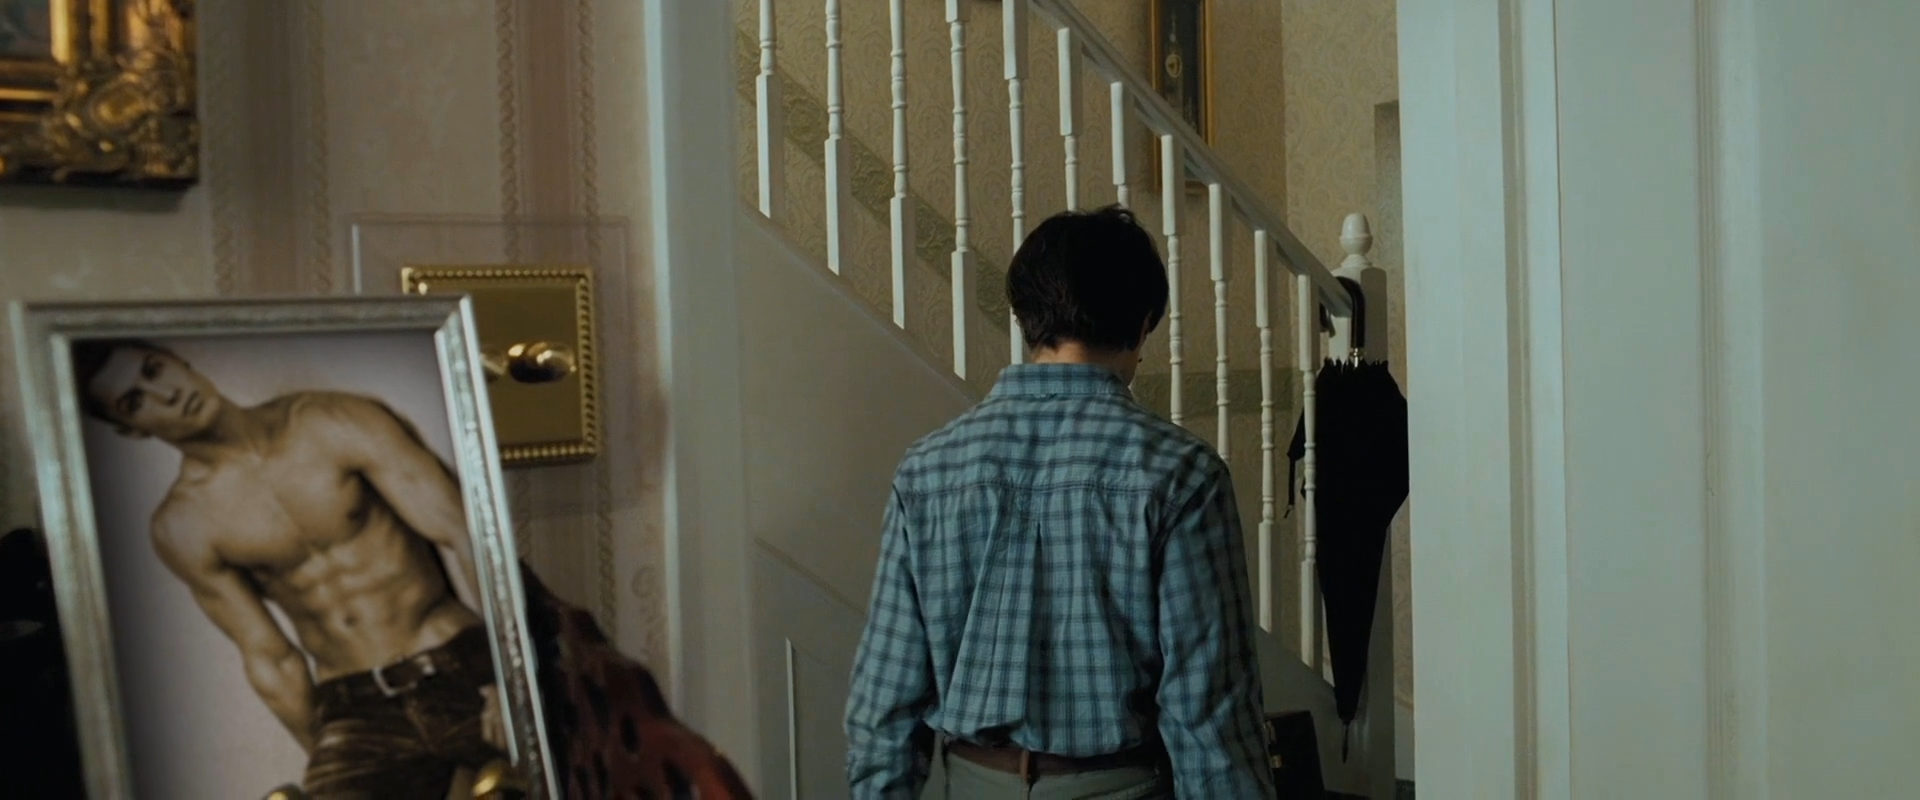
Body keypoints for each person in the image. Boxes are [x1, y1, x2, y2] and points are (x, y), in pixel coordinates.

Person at [844, 206, 1275, 798]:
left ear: (1026, 318)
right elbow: (1210, 712)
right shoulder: (1181, 474)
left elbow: (884, 704)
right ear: (1143, 324)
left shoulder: (928, 470)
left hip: (971, 785)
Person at [72, 339, 508, 799]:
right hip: (356, 709)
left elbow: (465, 533)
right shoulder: (183, 524)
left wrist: (510, 677)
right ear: (130, 430)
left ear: (179, 361)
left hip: (462, 665)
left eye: (154, 370)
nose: (167, 394)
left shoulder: (333, 421)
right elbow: (270, 657)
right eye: (135, 401)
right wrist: (323, 752)